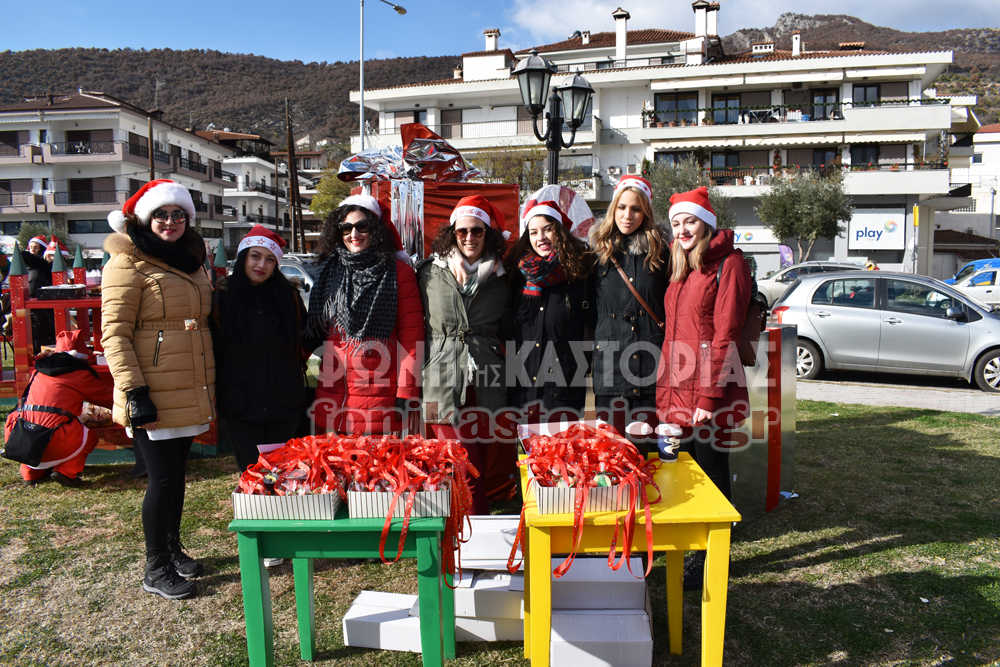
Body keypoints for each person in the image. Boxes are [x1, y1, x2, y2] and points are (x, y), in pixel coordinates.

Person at [101, 179, 215, 600]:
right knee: (162, 479)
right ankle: (155, 566)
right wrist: (134, 391)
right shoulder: (127, 262)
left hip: (187, 383)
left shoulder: (192, 259)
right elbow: (114, 334)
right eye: (161, 214)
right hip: (151, 388)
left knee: (176, 476)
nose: (170, 221)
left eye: (178, 214)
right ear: (145, 218)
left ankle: (171, 548)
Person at [656, 186, 751, 501]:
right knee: (685, 470)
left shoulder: (729, 264)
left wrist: (708, 398)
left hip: (709, 389)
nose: (682, 230)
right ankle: (692, 529)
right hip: (678, 386)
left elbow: (726, 335)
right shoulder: (681, 265)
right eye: (676, 223)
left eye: (690, 222)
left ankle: (720, 532)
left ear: (706, 224)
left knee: (711, 470)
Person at [304, 194, 423, 436]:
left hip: (378, 396)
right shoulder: (329, 271)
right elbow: (312, 333)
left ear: (375, 229)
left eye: (362, 226)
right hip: (333, 393)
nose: (353, 234)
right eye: (346, 228)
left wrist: (406, 391)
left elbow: (412, 340)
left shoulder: (398, 273)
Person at [419, 195, 509, 514]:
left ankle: (475, 524)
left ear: (487, 233)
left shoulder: (501, 274)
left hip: (486, 376)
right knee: (452, 455)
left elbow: (509, 326)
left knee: (479, 458)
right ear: (452, 233)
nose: (469, 237)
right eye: (462, 231)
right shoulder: (429, 272)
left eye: (477, 231)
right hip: (440, 378)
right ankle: (461, 523)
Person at [212, 225, 307, 471]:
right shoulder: (222, 296)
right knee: (252, 472)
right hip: (239, 404)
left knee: (284, 473)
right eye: (255, 256)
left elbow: (304, 339)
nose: (261, 265)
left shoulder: (289, 296)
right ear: (244, 257)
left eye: (269, 259)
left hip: (284, 403)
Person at [589, 175, 669, 437]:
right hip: (610, 371)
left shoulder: (662, 252)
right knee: (611, 450)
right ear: (613, 208)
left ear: (646, 212)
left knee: (649, 449)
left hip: (651, 370)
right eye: (622, 207)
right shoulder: (597, 253)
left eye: (636, 209)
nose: (627, 215)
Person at [506, 195, 593, 419]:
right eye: (533, 232)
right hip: (523, 389)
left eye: (547, 230)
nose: (541, 238)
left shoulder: (580, 273)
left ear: (560, 232)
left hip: (564, 390)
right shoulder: (516, 275)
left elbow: (589, 326)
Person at [4, 330, 114, 487]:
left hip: (21, 437)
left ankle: (30, 473)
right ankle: (66, 472)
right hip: (55, 439)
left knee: (36, 422)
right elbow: (107, 398)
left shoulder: (37, 372)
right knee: (89, 436)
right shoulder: (79, 374)